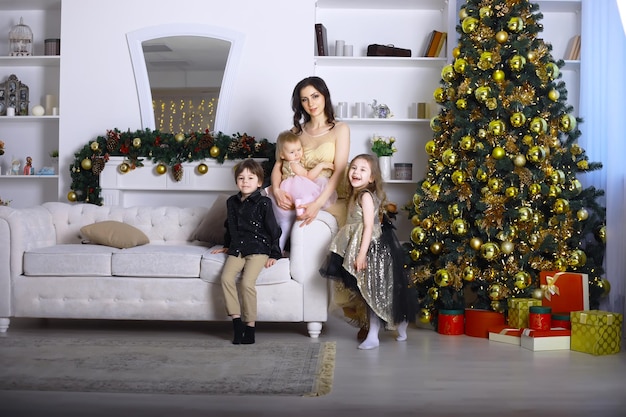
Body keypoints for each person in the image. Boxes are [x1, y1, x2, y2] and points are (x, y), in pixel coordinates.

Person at [320, 154, 416, 350]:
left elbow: (369, 226)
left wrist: (362, 254)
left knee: (373, 293)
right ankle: (400, 322)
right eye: (354, 168)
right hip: (361, 246)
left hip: (372, 250)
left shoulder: (365, 196)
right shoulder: (355, 195)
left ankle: (375, 335)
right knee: (370, 293)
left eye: (363, 170)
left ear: (372, 178)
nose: (356, 172)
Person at [211, 159, 282, 345]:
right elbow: (231, 226)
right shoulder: (231, 202)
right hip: (237, 248)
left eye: (251, 178)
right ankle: (237, 323)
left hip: (259, 248)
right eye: (241, 178)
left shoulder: (264, 203)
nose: (245, 181)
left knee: (246, 283)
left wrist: (275, 254)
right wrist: (227, 245)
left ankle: (250, 326)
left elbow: (274, 230)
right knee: (226, 278)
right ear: (236, 182)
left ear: (259, 182)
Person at [270, 76, 350, 228]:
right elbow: (278, 165)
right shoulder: (295, 132)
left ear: (325, 95)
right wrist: (276, 190)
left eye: (315, 96)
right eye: (304, 99)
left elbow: (339, 171)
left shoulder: (340, 129)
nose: (311, 104)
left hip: (325, 194)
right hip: (295, 192)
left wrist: (317, 204)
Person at [271, 129, 335, 252]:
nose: (297, 154)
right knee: (307, 192)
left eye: (299, 150)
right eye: (292, 152)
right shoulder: (294, 164)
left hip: (287, 187)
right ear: (282, 155)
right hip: (293, 186)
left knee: (285, 227)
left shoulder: (286, 162)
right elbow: (308, 176)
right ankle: (301, 205)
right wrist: (321, 166)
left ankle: (278, 250)